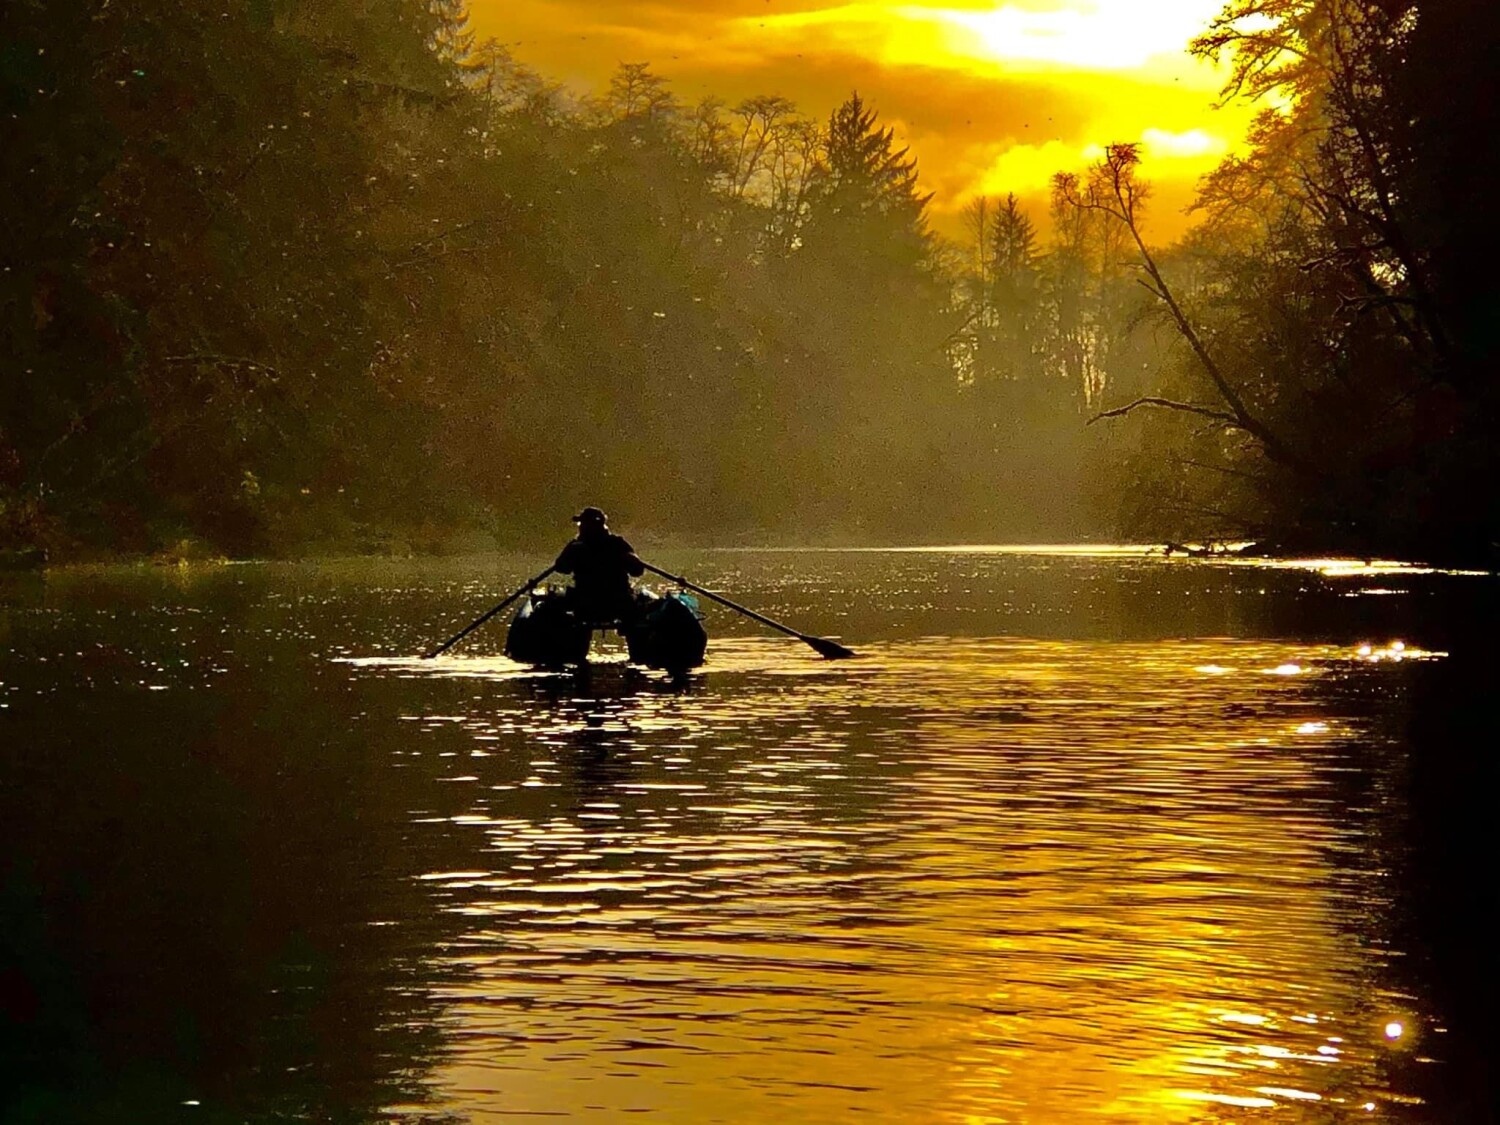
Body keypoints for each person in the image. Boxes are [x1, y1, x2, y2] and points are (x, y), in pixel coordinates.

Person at [554, 507, 645, 625]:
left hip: (586, 604)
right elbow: (637, 570)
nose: (580, 526)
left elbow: (561, 567)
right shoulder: (617, 544)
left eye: (582, 523)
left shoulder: (577, 547)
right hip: (617, 604)